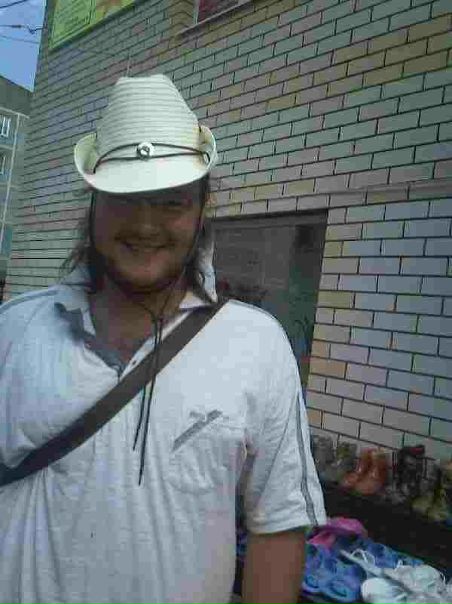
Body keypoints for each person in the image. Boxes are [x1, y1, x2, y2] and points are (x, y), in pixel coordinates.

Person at [0, 74, 326, 604]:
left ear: (201, 210)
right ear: (93, 206)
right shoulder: (14, 331)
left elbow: (278, 525)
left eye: (170, 201)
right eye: (124, 198)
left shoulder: (258, 346)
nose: (146, 225)